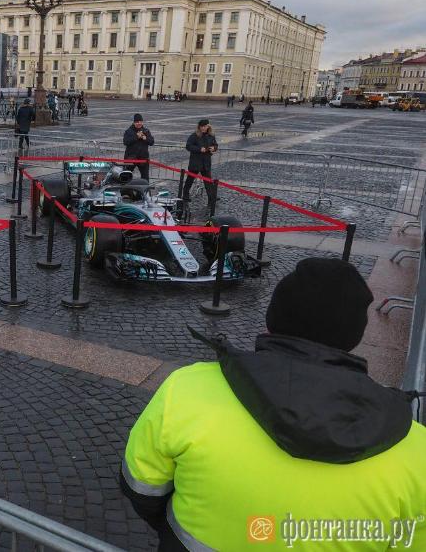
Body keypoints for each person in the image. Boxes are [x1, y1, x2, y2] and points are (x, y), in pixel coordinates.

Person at [120, 258, 426, 551]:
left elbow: (142, 488)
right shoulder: (415, 450)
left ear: (273, 319)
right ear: (355, 336)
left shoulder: (187, 387)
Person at [182, 119, 217, 202]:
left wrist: (214, 148)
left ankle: (212, 197)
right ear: (199, 127)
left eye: (205, 126)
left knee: (208, 181)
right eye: (202, 126)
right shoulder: (194, 135)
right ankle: (185, 195)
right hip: (195, 162)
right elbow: (188, 146)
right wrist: (199, 149)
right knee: (190, 180)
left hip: (206, 162)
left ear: (208, 126)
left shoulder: (211, 135)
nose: (204, 128)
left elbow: (215, 144)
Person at [123, 113, 155, 181]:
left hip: (143, 158)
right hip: (131, 158)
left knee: (145, 178)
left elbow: (152, 142)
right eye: (137, 122)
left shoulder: (146, 131)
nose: (139, 123)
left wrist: (145, 138)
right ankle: (126, 190)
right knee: (126, 176)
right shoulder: (129, 131)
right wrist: (137, 137)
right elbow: (126, 142)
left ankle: (145, 191)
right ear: (134, 122)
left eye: (140, 122)